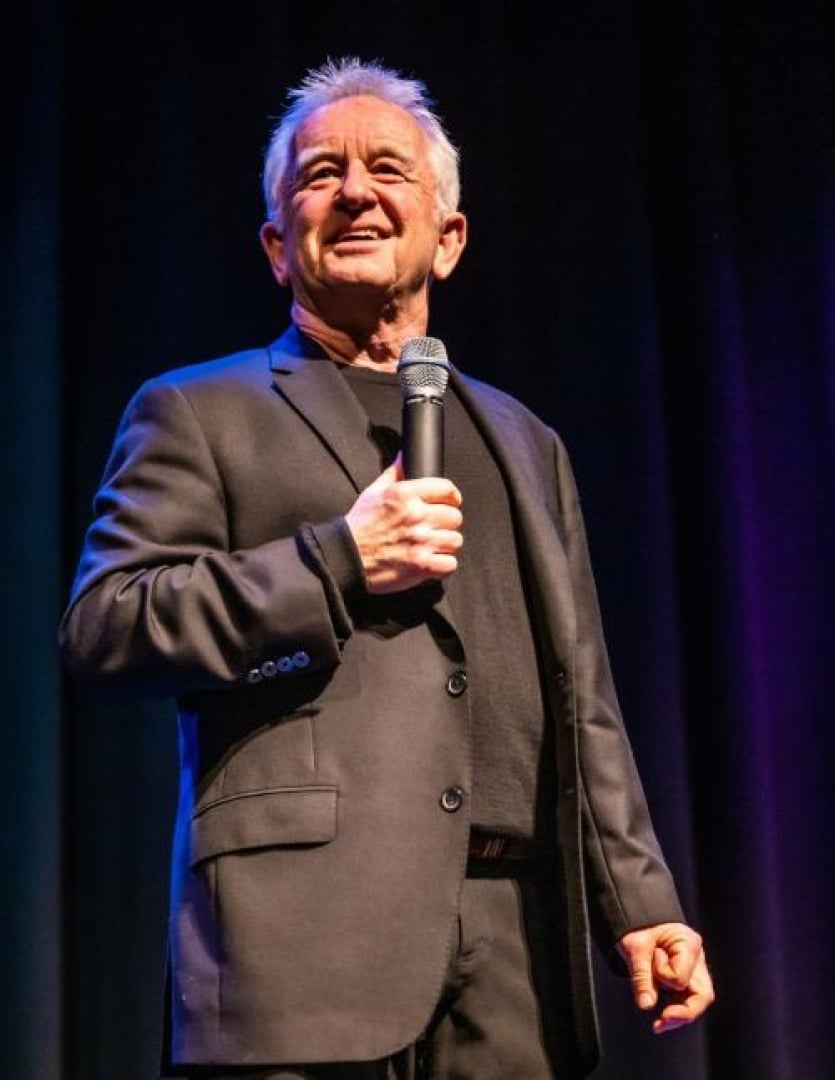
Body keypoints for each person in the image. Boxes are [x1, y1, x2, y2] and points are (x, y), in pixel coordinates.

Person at [60, 57, 714, 1080]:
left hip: (513, 943)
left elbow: (581, 695)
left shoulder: (522, 438)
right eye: (321, 174)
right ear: (278, 245)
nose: (356, 191)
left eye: (386, 170)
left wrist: (639, 900)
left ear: (446, 238)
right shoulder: (199, 410)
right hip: (304, 938)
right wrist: (336, 560)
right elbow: (107, 627)